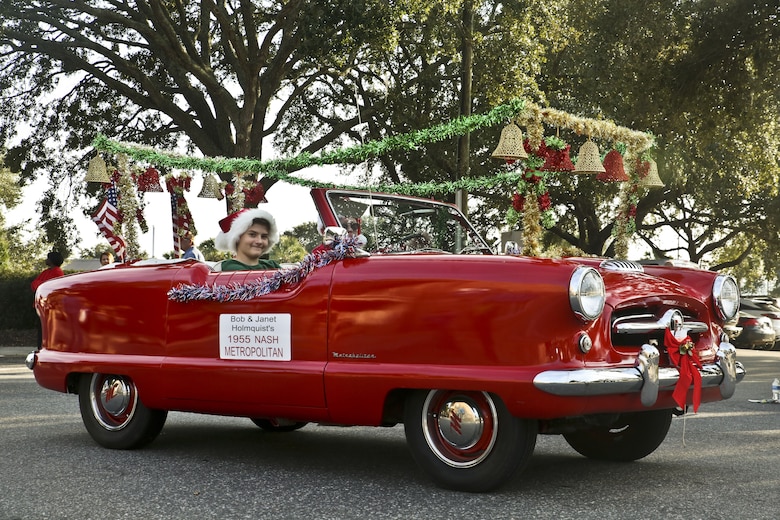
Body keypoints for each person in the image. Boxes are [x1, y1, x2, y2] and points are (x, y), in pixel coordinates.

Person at [214, 208, 282, 271]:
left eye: (264, 236)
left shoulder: (272, 266)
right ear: (237, 238)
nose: (259, 241)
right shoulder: (226, 268)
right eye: (252, 235)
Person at [31, 250, 65, 348]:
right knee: (41, 328)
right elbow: (35, 284)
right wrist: (40, 285)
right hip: (41, 305)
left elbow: (47, 286)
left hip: (50, 306)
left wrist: (40, 284)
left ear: (52, 260)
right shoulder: (46, 272)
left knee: (48, 328)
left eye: (48, 258)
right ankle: (41, 346)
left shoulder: (58, 272)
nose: (46, 260)